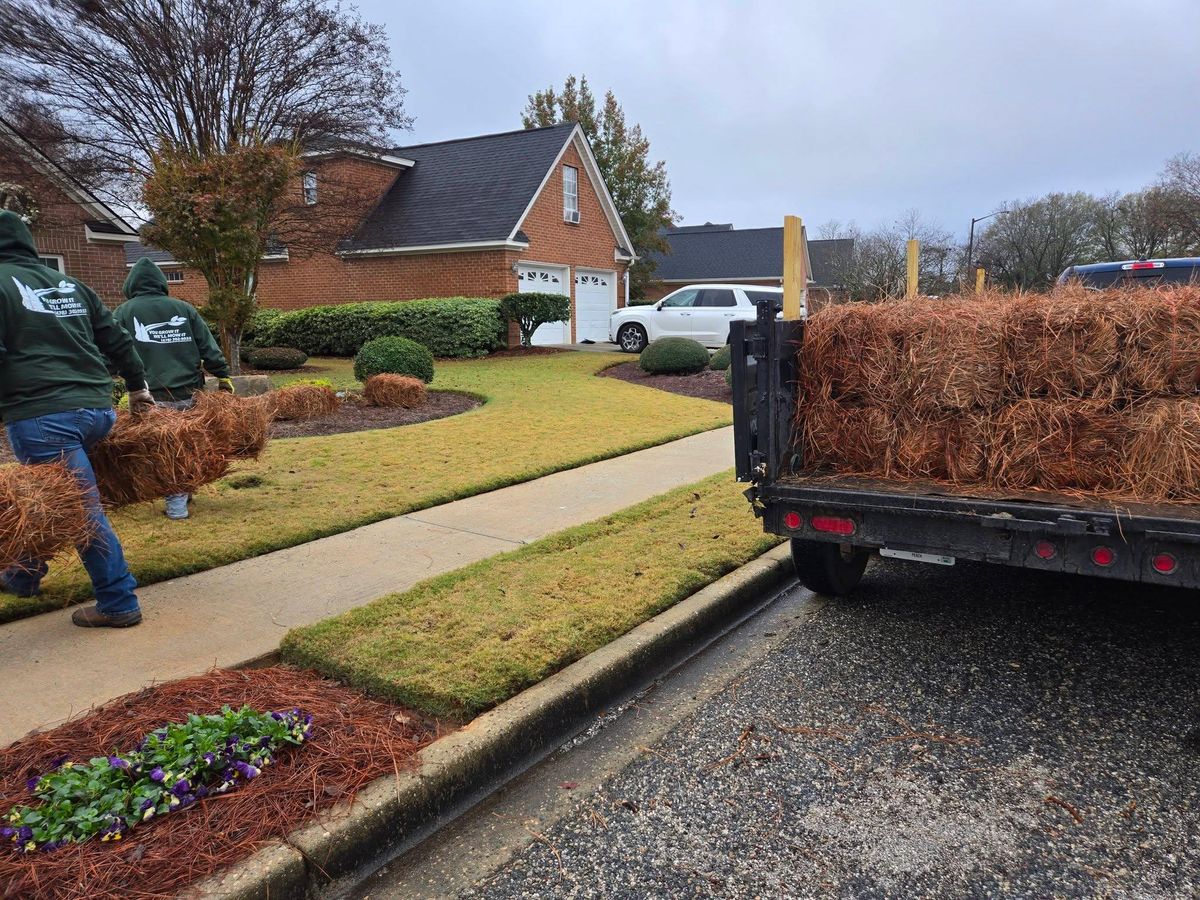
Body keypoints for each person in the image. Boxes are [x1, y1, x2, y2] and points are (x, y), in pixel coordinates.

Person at [0, 210, 153, 628]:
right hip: (97, 410)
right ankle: (21, 574)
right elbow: (118, 340)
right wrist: (139, 388)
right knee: (50, 497)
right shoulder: (71, 284)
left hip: (44, 416)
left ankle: (119, 603)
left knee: (83, 512)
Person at [113, 258, 233, 520]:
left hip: (149, 397)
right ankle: (183, 493)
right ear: (160, 283)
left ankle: (178, 505)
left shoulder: (123, 313)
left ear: (130, 284)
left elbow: (111, 350)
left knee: (164, 453)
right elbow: (208, 346)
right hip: (190, 393)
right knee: (187, 446)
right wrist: (223, 375)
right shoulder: (183, 308)